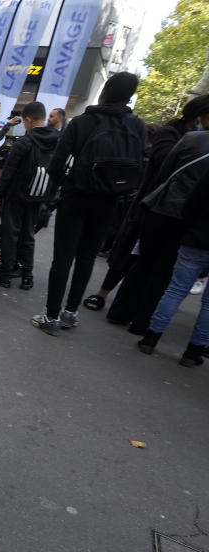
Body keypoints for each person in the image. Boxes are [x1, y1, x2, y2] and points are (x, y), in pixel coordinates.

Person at [31, 72, 146, 335]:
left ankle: (51, 317)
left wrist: (66, 184)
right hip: (109, 199)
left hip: (77, 195)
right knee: (87, 257)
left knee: (63, 257)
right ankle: (71, 313)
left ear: (105, 91)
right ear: (130, 95)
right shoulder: (136, 126)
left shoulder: (83, 122)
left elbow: (57, 163)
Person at [101, 94, 209, 323]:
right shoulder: (180, 135)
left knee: (144, 263)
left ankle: (124, 314)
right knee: (160, 270)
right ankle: (143, 324)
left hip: (161, 208)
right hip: (181, 215)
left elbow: (164, 172)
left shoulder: (189, 139)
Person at [137, 169, 209, 366]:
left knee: (175, 290)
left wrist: (190, 228)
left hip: (196, 239)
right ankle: (193, 351)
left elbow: (191, 204)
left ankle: (151, 338)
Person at [0, 101, 60, 290]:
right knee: (28, 234)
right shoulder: (57, 142)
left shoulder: (25, 142)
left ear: (28, 120)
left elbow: (8, 172)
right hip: (40, 195)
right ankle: (27, 275)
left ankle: (5, 274)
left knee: (10, 233)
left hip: (16, 195)